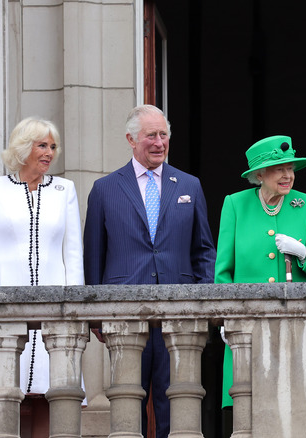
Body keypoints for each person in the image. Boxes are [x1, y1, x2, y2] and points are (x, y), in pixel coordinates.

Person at [83, 105, 216, 437]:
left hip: (180, 314)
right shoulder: (105, 189)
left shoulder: (190, 185)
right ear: (131, 139)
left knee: (177, 402)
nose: (159, 143)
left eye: (164, 135)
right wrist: (96, 315)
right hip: (125, 313)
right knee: (128, 403)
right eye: (151, 136)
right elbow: (94, 257)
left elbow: (203, 251)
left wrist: (205, 302)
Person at [0, 117, 84, 437]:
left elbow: (73, 255)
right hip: (2, 305)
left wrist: (77, 310)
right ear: (23, 147)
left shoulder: (65, 190)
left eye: (53, 146)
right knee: (4, 391)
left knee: (50, 392)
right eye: (42, 145)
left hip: (53, 307)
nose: (49, 152)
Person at [216, 135, 306, 434]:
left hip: (295, 326)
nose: (287, 175)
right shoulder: (235, 205)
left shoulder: (305, 204)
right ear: (259, 175)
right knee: (245, 407)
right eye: (279, 168)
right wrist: (226, 317)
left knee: (295, 410)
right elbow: (223, 272)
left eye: (290, 167)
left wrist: (303, 253)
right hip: (247, 327)